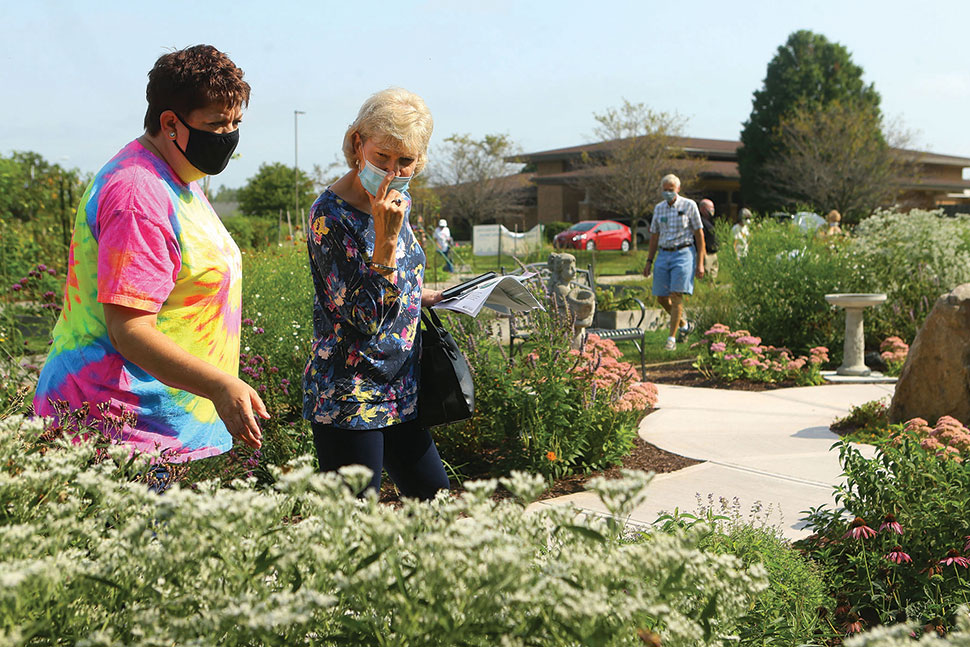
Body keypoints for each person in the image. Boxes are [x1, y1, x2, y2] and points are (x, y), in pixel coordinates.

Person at [34, 45, 266, 470]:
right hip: (118, 430)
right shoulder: (138, 194)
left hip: (159, 428)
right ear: (170, 123)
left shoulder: (181, 176)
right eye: (216, 123)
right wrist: (218, 385)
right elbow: (130, 330)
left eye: (236, 122)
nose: (228, 135)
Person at [303, 88, 449, 501]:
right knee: (352, 522)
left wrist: (426, 294)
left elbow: (399, 278)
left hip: (400, 384)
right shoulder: (330, 216)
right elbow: (364, 316)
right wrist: (384, 239)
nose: (392, 172)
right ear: (357, 144)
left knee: (432, 498)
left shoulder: (396, 200)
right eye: (382, 157)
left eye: (405, 161)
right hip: (351, 393)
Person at [642, 174, 705, 351]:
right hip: (663, 253)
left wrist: (700, 263)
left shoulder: (689, 205)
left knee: (677, 295)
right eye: (665, 190)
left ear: (677, 189)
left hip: (684, 252)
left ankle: (671, 339)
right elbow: (654, 235)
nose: (668, 193)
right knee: (662, 297)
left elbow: (699, 235)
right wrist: (649, 261)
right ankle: (684, 324)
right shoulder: (659, 208)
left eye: (671, 190)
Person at [698, 198, 719, 280]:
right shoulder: (700, 222)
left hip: (713, 254)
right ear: (703, 209)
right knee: (705, 278)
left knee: (713, 278)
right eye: (710, 208)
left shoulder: (710, 221)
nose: (712, 210)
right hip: (706, 254)